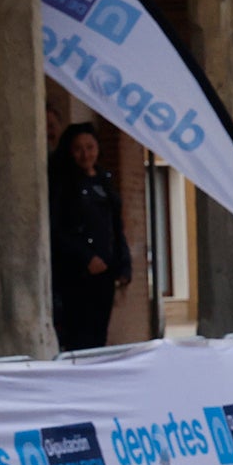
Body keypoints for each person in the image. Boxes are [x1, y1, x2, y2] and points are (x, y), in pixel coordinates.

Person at [49, 122, 132, 351]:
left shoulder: (104, 180)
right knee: (79, 338)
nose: (85, 154)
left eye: (90, 147)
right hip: (77, 275)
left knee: (99, 336)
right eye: (78, 149)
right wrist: (85, 257)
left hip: (105, 274)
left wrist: (124, 266)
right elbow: (56, 230)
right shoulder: (63, 184)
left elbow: (116, 226)